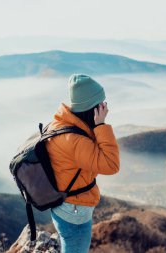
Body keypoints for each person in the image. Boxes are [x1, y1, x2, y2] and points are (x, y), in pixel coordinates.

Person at [45, 74, 120, 253]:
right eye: (102, 104)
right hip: (74, 210)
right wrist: (101, 125)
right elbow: (111, 165)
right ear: (91, 108)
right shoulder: (74, 140)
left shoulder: (61, 123)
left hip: (62, 204)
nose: (105, 107)